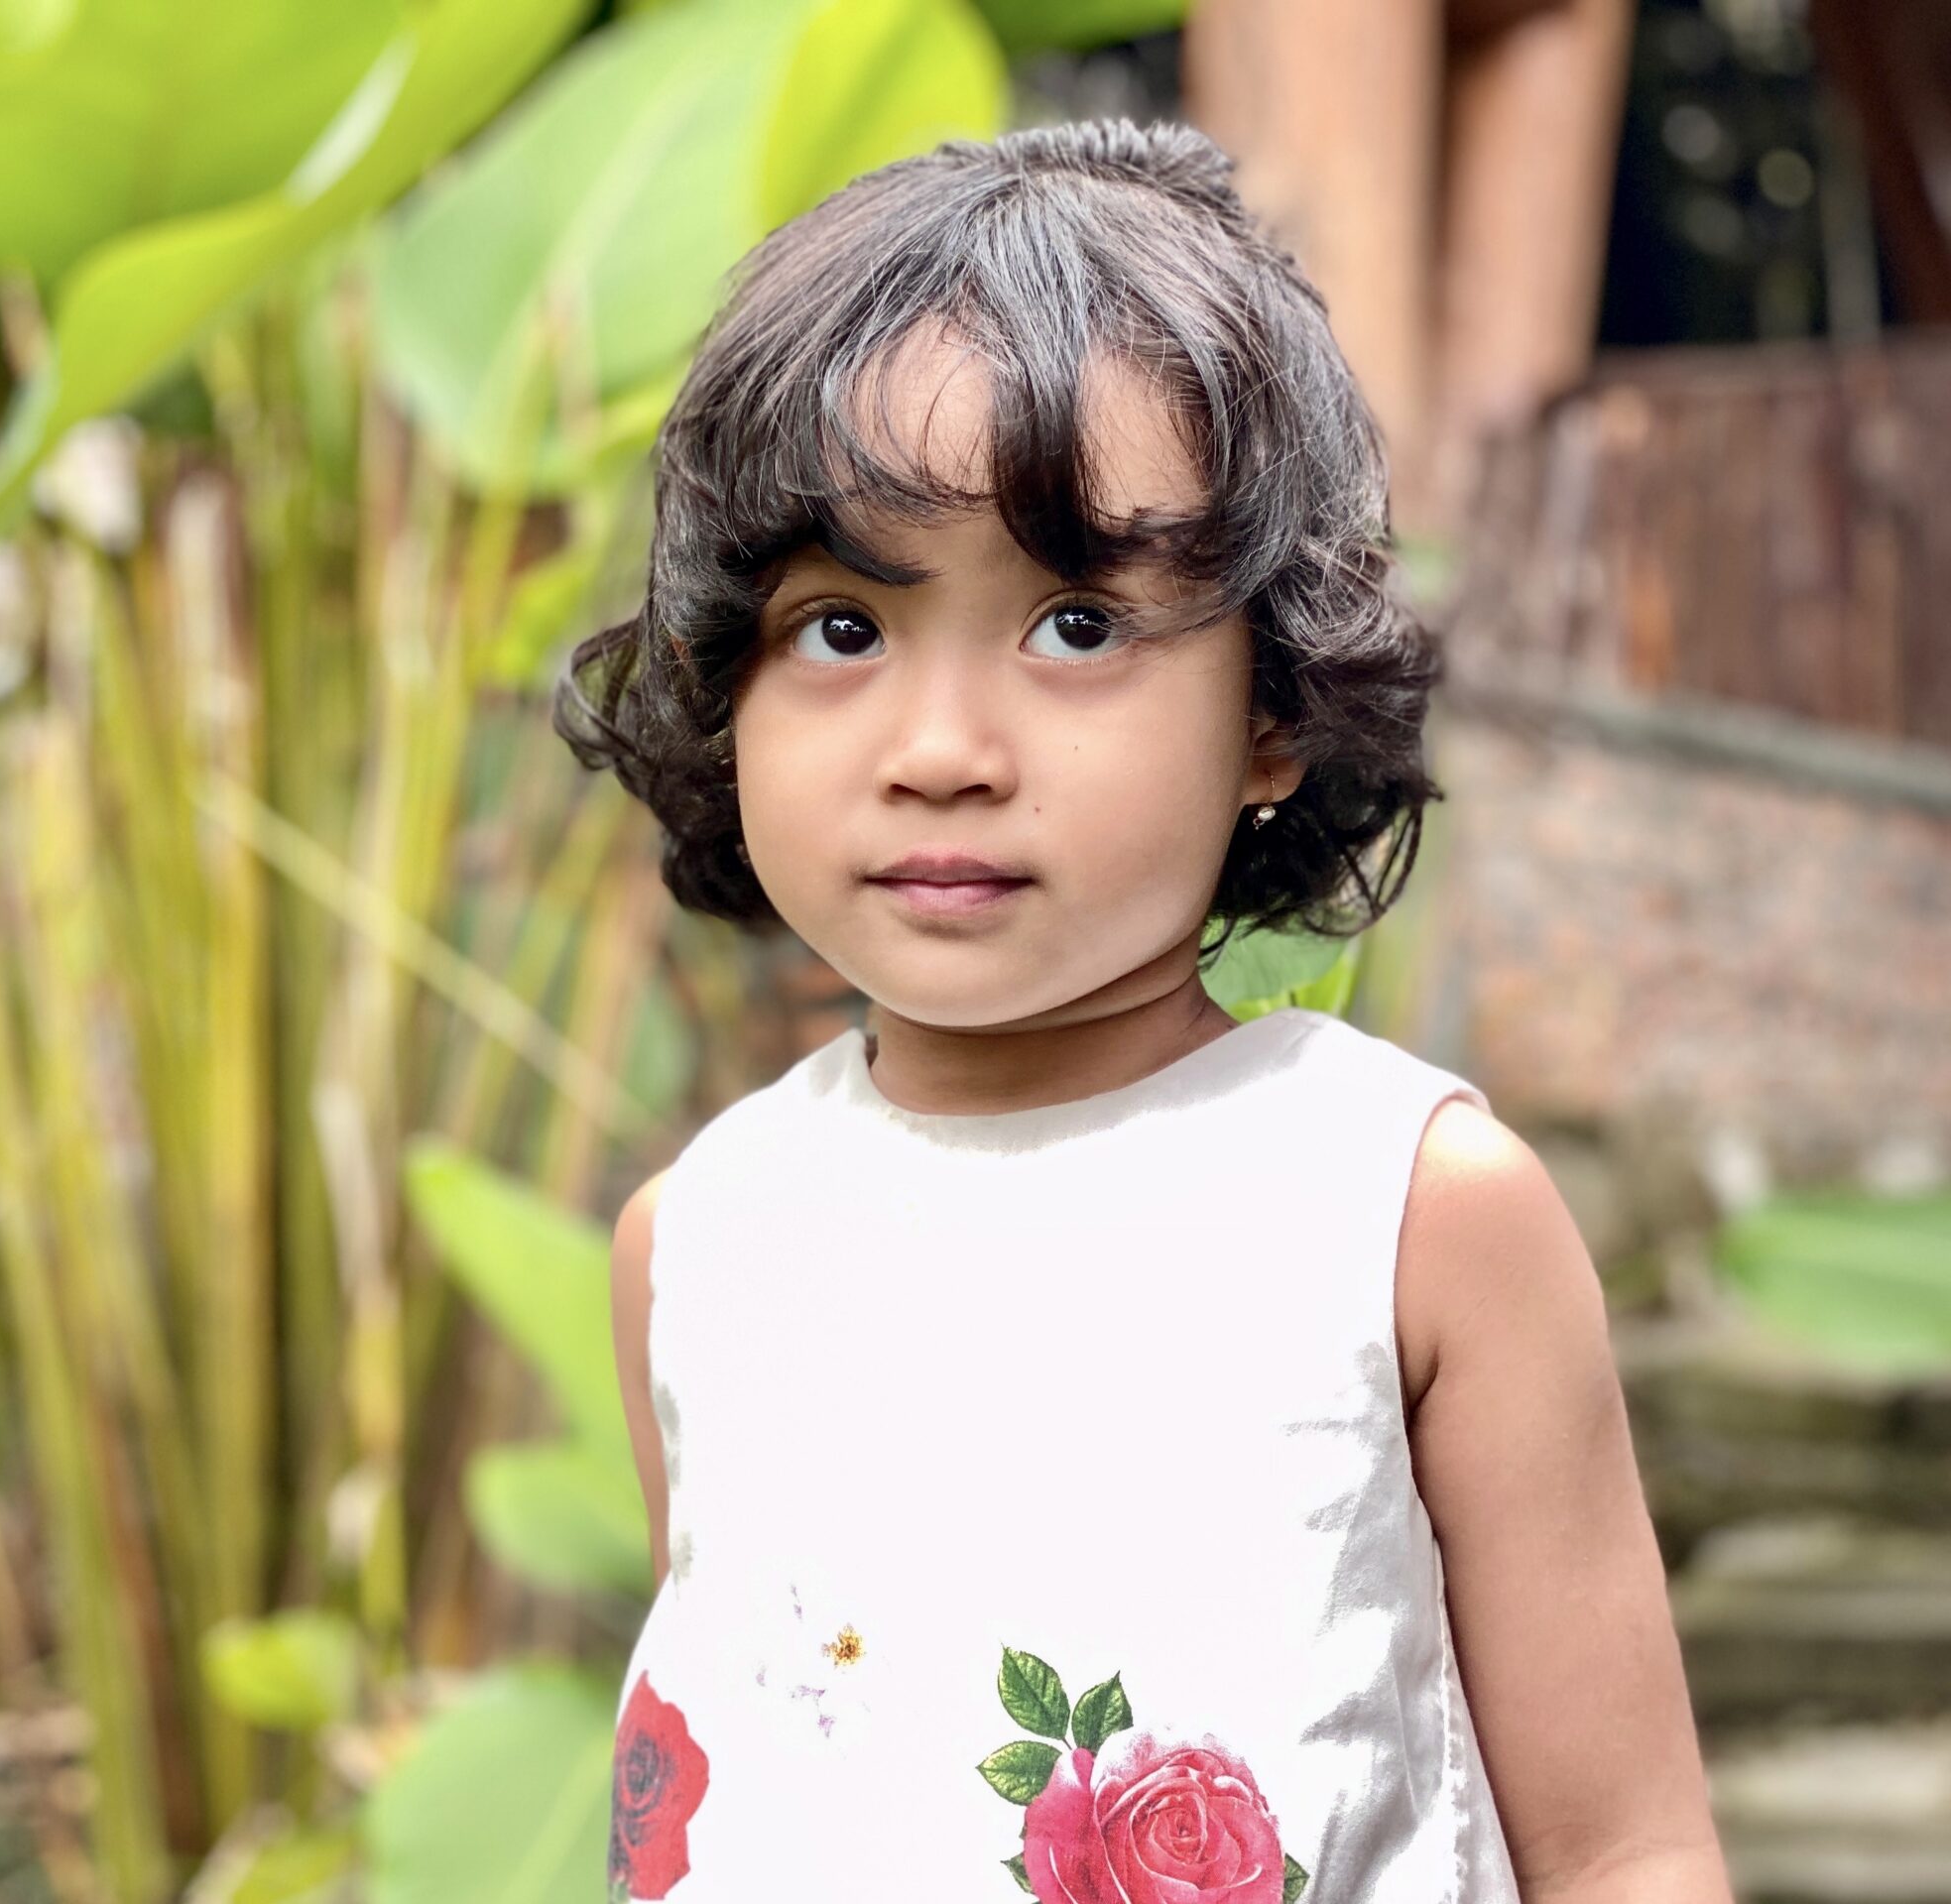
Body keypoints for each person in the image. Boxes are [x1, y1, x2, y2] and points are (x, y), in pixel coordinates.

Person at [551, 118, 1731, 1904]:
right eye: (842, 630)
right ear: (731, 686)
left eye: (1081, 627)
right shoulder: (697, 1241)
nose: (942, 755)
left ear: (1274, 701)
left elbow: (1626, 1850)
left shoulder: (1411, 1211)